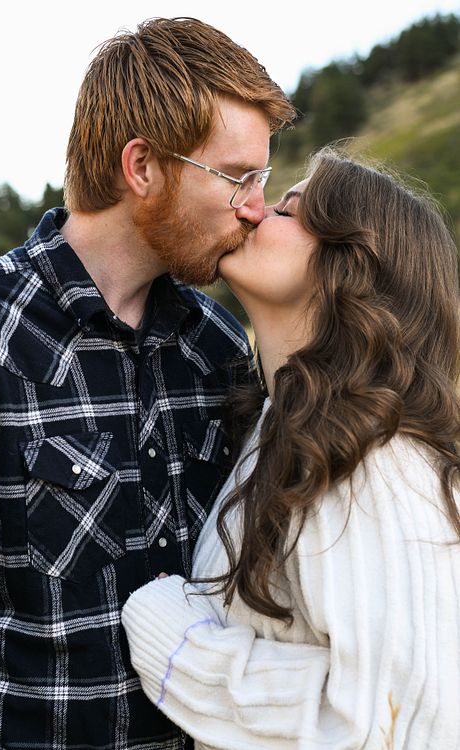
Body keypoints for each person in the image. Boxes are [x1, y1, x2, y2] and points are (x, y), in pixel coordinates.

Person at [0, 17, 295, 750]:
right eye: (237, 177)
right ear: (141, 167)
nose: (255, 206)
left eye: (262, 179)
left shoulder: (219, 346)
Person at [123, 147, 460, 749]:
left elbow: (394, 724)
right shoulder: (286, 427)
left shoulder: (376, 458)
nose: (252, 210)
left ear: (351, 262)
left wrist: (179, 644)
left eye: (287, 209)